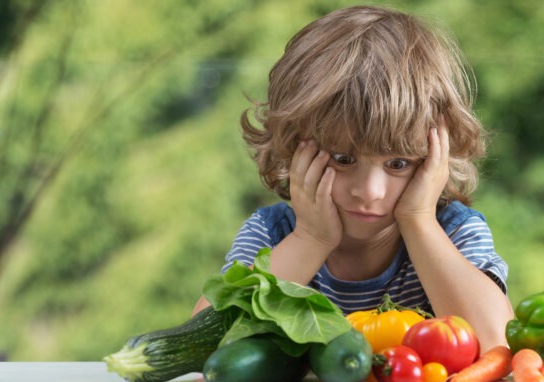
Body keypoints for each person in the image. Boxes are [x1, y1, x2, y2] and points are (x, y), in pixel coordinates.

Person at [193, 5, 513, 352]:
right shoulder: (271, 236)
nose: (369, 192)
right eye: (343, 159)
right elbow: (205, 348)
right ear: (293, 144)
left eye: (398, 163)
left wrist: (419, 222)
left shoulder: (453, 232)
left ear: (435, 155)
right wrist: (311, 239)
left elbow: (498, 345)